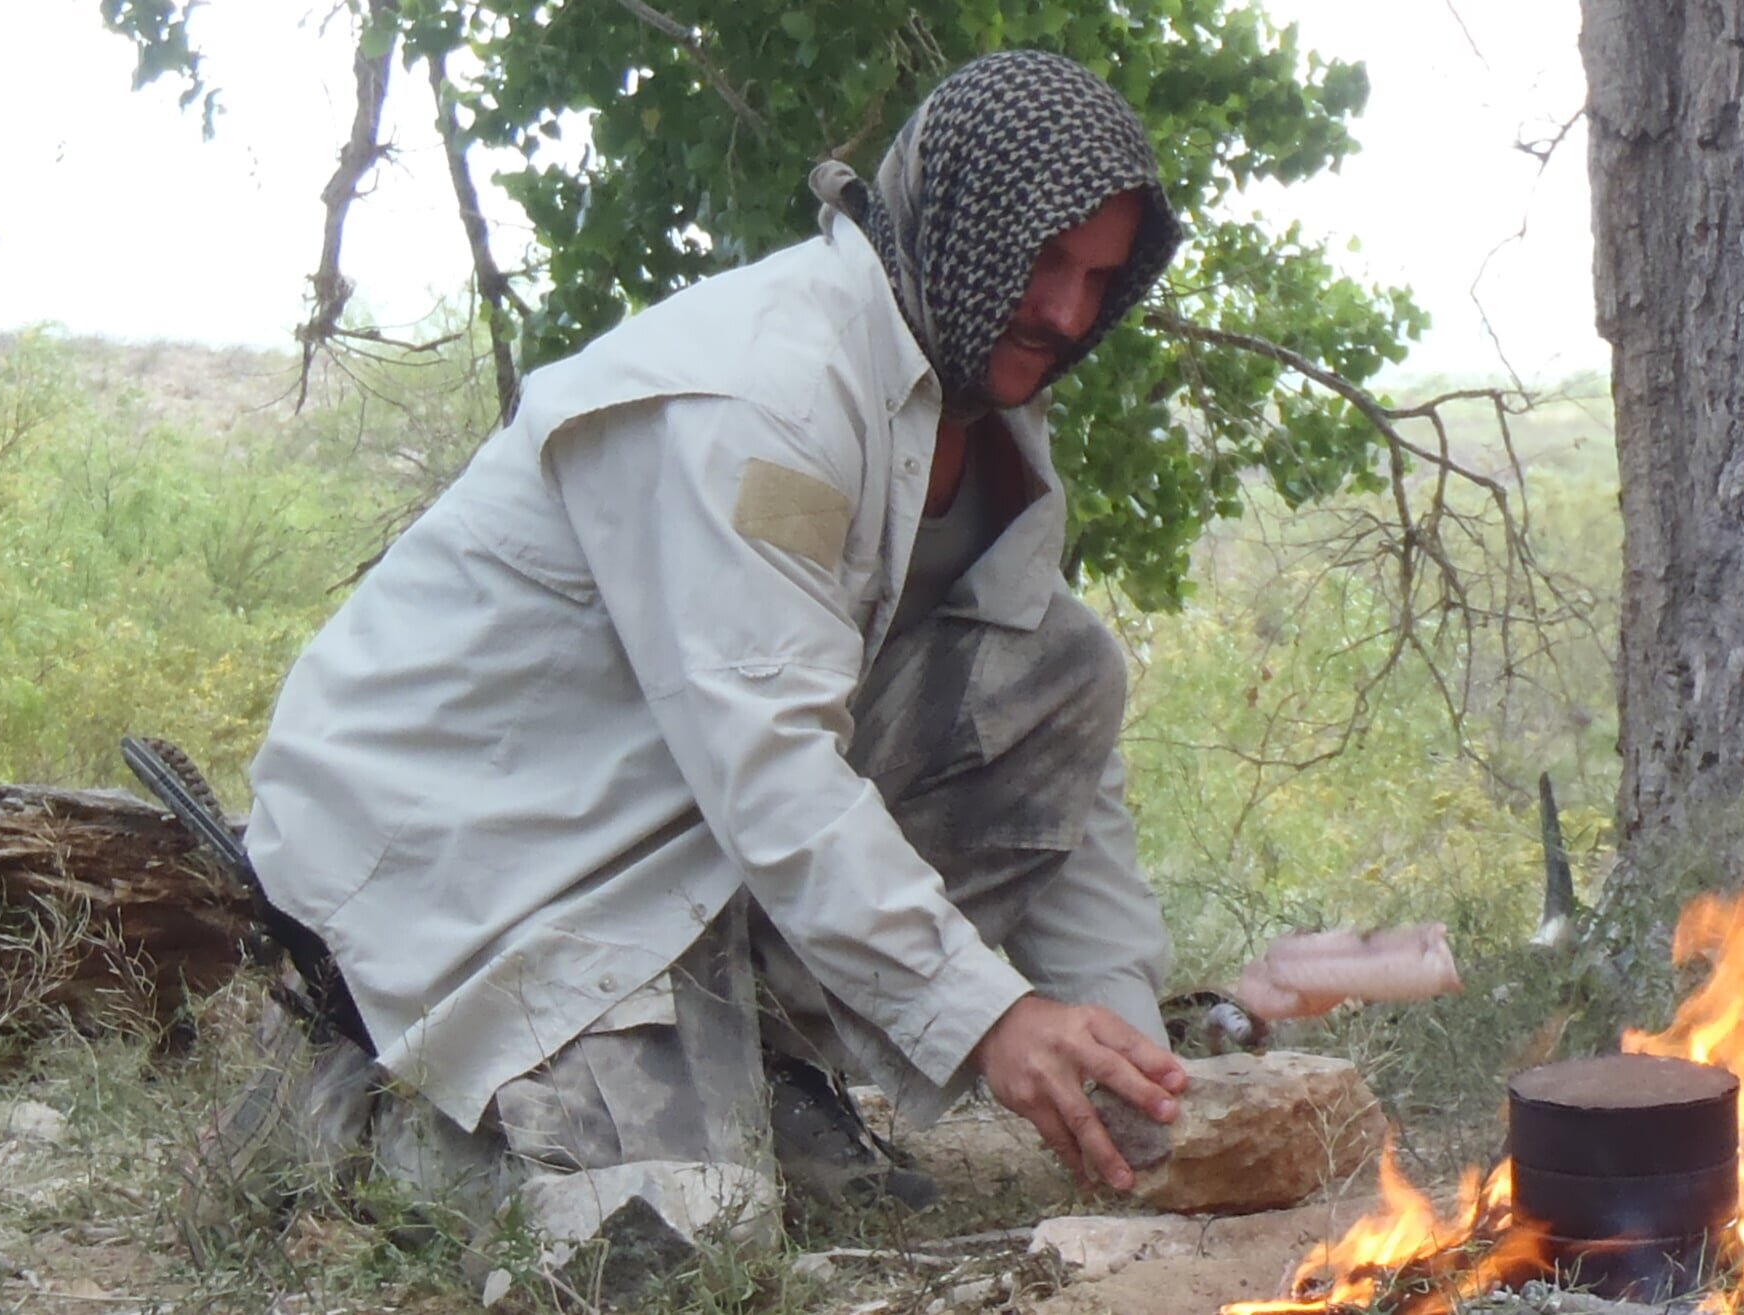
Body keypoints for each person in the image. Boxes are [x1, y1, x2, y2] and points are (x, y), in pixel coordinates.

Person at [227, 48, 1190, 1259]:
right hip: (484, 859)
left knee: (1062, 661)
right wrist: (988, 1016)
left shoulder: (976, 394)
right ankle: (357, 1101)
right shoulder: (765, 398)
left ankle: (744, 1064)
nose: (1064, 312)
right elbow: (772, 764)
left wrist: (1130, 1063)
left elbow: (1064, 773)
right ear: (953, 219)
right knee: (678, 1253)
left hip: (677, 840)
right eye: (1043, 261)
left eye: (1099, 277)